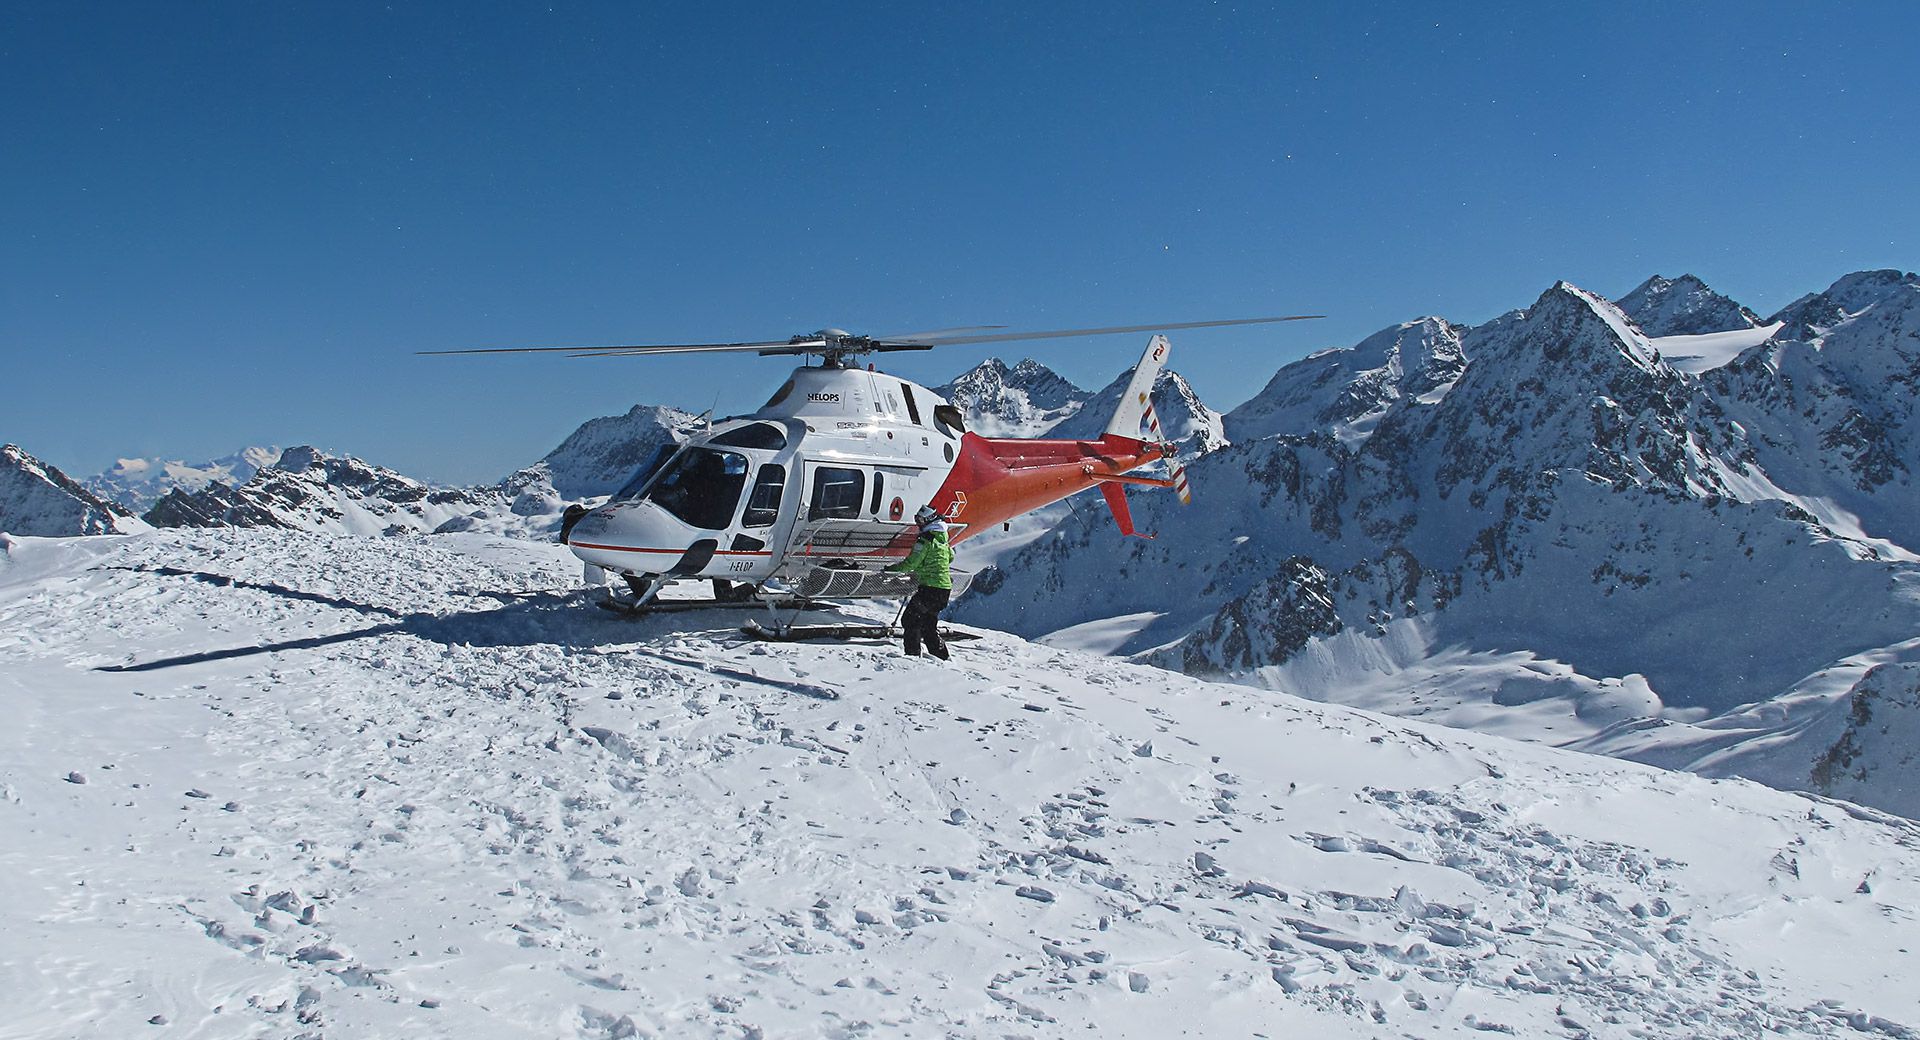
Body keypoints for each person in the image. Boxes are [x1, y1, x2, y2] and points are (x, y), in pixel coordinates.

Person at [888, 504, 954, 659]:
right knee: (928, 625)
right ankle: (941, 656)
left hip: (929, 589)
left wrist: (891, 569)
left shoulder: (924, 541)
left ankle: (913, 655)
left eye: (920, 520)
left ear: (929, 520)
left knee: (910, 619)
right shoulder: (943, 539)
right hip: (943, 590)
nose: (919, 523)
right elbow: (950, 557)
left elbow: (911, 563)